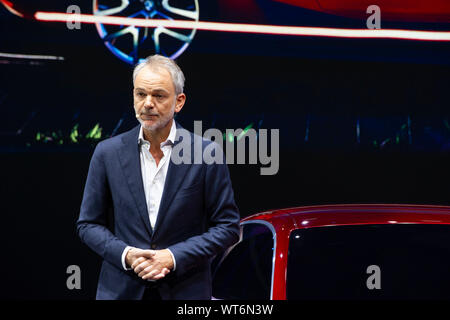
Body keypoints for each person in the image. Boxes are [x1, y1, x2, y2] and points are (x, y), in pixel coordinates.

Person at [76, 54, 240, 300]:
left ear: (179, 101)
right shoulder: (107, 153)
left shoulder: (206, 153)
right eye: (141, 94)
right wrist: (127, 254)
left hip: (184, 291)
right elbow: (88, 224)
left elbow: (227, 227)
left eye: (159, 95)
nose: (148, 103)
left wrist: (173, 257)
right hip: (121, 291)